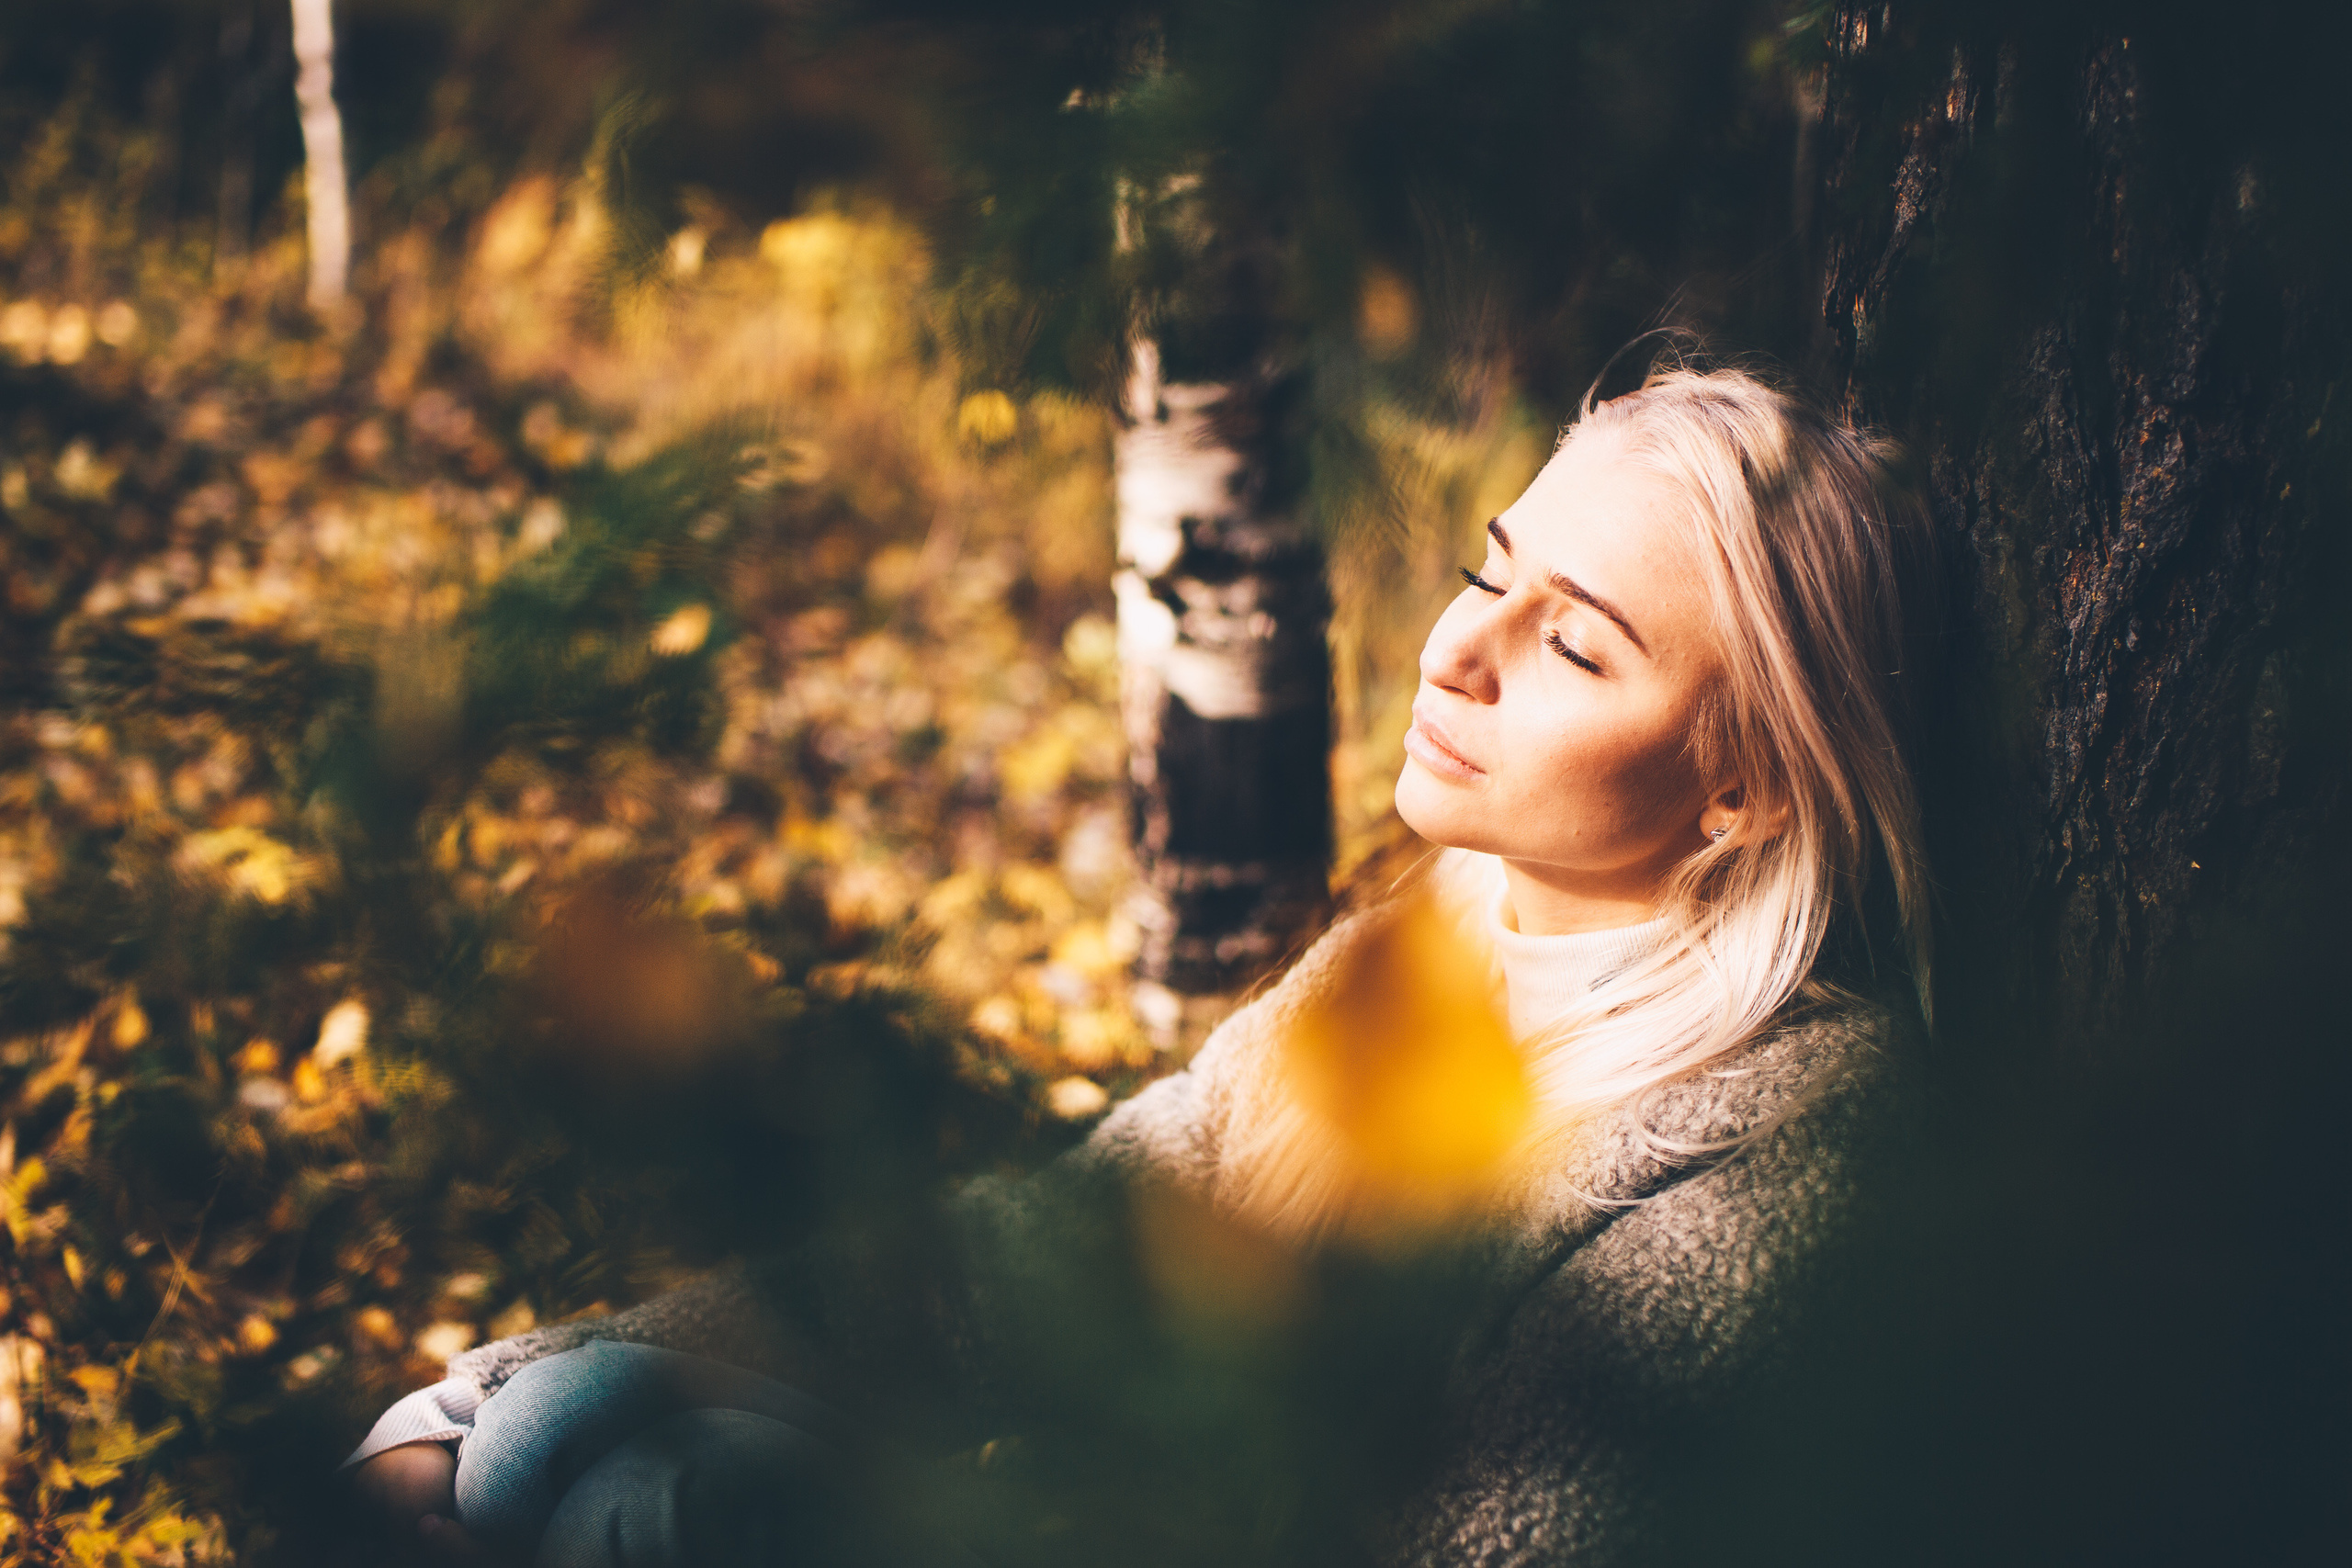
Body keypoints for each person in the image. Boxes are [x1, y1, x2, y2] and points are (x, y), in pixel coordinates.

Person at [346, 361, 1939, 1566]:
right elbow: (1035, 1255)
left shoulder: (1776, 1174)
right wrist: (483, 1385)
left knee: (639, 1500)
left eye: (1574, 642)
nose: (1458, 652)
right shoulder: (1416, 963)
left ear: (1747, 785)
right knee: (561, 1425)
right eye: (1484, 576)